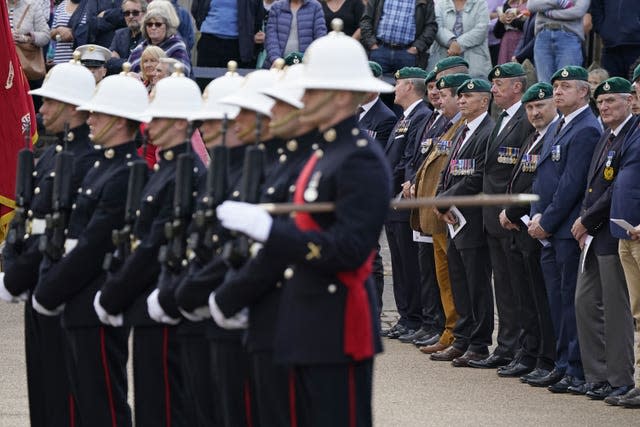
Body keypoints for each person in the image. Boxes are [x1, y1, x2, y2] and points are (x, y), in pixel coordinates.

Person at [214, 21, 393, 425]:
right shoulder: (323, 152)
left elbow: (348, 249)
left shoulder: (359, 156)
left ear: (342, 95)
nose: (303, 97)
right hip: (302, 319)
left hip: (335, 324)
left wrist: (270, 231)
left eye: (313, 89)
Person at [30, 66, 148, 427]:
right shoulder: (98, 165)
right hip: (70, 292)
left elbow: (93, 242)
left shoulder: (124, 169)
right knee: (72, 399)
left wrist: (49, 289)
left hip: (95, 295)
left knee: (101, 406)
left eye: (98, 111)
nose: (90, 116)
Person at [209, 63, 319, 427]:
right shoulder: (266, 163)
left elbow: (295, 246)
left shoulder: (298, 163)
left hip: (281, 310)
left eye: (247, 112)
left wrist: (230, 295)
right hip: (253, 305)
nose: (234, 121)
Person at [95, 67, 204, 426]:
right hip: (147, 303)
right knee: (152, 404)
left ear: (177, 122)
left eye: (156, 115)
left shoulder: (186, 171)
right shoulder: (166, 168)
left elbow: (156, 242)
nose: (148, 123)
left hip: (165, 303)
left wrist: (114, 292)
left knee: (167, 407)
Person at [0, 57, 99, 427]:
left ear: (73, 107)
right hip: (39, 288)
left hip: (68, 294)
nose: (42, 109)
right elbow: (30, 223)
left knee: (68, 399)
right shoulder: (53, 158)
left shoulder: (88, 161)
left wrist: (17, 279)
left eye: (51, 102)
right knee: (44, 395)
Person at [175, 61, 246, 427]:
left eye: (209, 121)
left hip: (234, 308)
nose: (201, 129)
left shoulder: (248, 171)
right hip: (207, 303)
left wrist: (194, 292)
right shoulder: (219, 169)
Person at [527, 66, 602, 392]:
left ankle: (575, 367)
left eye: (566, 86)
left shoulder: (585, 128)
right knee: (556, 301)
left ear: (584, 92)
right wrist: (534, 215)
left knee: (572, 302)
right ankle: (561, 363)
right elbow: (542, 178)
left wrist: (546, 221)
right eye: (555, 86)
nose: (557, 92)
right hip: (548, 228)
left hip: (565, 230)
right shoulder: (559, 125)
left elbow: (571, 186)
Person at [570, 77, 635, 399]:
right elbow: (591, 185)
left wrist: (586, 220)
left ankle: (620, 378)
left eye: (612, 101)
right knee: (585, 303)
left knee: (615, 308)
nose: (606, 107)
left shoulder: (631, 137)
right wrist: (585, 219)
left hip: (611, 231)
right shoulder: (606, 136)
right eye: (602, 102)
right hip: (594, 234)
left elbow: (616, 189)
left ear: (629, 102)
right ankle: (596, 374)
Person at [468, 62, 534, 370]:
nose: (493, 89)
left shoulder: (525, 118)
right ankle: (506, 347)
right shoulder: (502, 117)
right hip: (492, 215)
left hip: (511, 217)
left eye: (499, 84)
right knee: (504, 288)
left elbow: (522, 170)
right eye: (492, 84)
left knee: (517, 287)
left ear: (517, 87)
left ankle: (521, 348)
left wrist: (511, 210)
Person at [430, 78, 495, 366]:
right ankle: (462, 337)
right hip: (453, 219)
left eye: (469, 96)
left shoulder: (488, 130)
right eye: (461, 96)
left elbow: (477, 175)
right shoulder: (462, 131)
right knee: (459, 281)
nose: (463, 100)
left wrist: (444, 200)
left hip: (472, 218)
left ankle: (479, 343)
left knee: (477, 283)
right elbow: (449, 169)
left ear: (485, 101)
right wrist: (440, 198)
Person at [499, 82, 558, 379]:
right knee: (524, 297)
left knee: (540, 298)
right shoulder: (533, 137)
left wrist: (512, 211)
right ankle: (530, 352)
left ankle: (546, 358)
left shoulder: (554, 136)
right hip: (519, 229)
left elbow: (540, 184)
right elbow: (517, 178)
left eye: (540, 106)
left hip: (536, 227)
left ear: (554, 105)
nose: (535, 112)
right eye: (530, 108)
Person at [410, 72, 469, 352]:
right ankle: (449, 330)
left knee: (453, 278)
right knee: (443, 276)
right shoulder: (446, 126)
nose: (439, 99)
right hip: (435, 215)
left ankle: (456, 331)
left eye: (445, 95)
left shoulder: (461, 127)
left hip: (451, 215)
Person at [382, 67, 432, 341]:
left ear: (410, 86)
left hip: (402, 197)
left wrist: (392, 183)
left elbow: (409, 159)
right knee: (399, 262)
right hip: (392, 197)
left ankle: (414, 316)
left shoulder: (420, 115)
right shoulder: (405, 116)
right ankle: (406, 316)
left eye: (399, 83)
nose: (395, 87)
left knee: (409, 262)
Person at [360, 0, 437, 72]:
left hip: (408, 55)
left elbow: (431, 26)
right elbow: (366, 19)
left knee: (407, 86)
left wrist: (416, 48)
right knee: (375, 85)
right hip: (379, 51)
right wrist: (372, 43)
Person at [528, 0, 590, 83]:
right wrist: (560, 2)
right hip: (543, 36)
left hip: (569, 36)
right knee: (544, 85)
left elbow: (578, 11)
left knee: (567, 82)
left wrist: (550, 13)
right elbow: (531, 5)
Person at [428, 0, 492, 79]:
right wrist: (451, 42)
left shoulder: (480, 3)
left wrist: (458, 44)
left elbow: (482, 29)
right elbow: (436, 26)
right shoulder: (441, 3)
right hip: (443, 58)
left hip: (475, 62)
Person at [191, 0, 264, 68]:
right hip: (209, 42)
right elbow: (196, 9)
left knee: (235, 80)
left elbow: (258, 15)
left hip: (239, 46)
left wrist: (249, 35)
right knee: (205, 79)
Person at [128, 0, 191, 76]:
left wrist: (145, 76)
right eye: (149, 24)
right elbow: (128, 72)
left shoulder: (176, 47)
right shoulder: (138, 49)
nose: (153, 27)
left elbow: (182, 73)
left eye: (158, 24)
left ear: (167, 25)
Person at [263, 0, 326, 68]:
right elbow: (271, 37)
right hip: (277, 65)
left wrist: (308, 59)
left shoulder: (315, 6)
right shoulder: (277, 7)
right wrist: (276, 59)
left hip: (305, 66)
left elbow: (320, 38)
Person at [589, 0, 640, 79]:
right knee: (611, 87)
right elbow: (596, 9)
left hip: (636, 46)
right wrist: (603, 30)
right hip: (610, 47)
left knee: (635, 85)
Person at [107, 0, 146, 75]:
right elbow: (109, 62)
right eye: (127, 13)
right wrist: (131, 62)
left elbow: (142, 65)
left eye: (135, 13)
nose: (131, 16)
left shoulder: (150, 35)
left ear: (144, 14)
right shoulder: (119, 34)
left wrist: (119, 61)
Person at [493, 0, 527, 64]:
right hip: (507, 44)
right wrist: (501, 20)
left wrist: (510, 20)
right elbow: (497, 33)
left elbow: (529, 26)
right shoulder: (509, 3)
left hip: (523, 43)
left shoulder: (531, 4)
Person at [50, 0, 83, 64]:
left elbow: (93, 30)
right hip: (60, 61)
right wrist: (59, 32)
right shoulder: (62, 5)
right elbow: (52, 33)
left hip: (81, 62)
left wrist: (72, 34)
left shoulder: (91, 5)